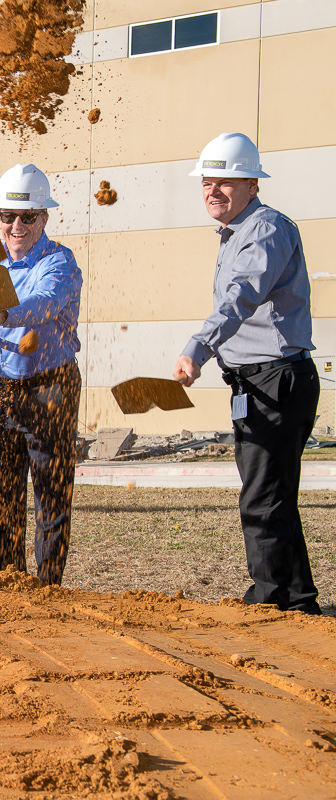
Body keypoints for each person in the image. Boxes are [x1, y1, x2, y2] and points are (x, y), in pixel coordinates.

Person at [173, 132, 322, 615]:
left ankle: (274, 602)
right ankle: (295, 598)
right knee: (273, 494)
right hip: (259, 382)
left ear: (253, 183)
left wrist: (199, 348)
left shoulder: (265, 231)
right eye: (207, 183)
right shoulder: (239, 231)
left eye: (226, 182)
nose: (213, 191)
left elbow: (242, 296)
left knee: (262, 498)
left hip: (275, 380)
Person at [0, 163, 82, 586]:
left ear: (44, 219)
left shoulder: (60, 262)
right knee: (4, 492)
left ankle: (48, 586)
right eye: (8, 216)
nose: (16, 225)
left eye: (27, 217)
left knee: (51, 492)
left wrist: (1, 315)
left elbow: (43, 303)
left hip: (51, 386)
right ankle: (8, 580)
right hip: (4, 386)